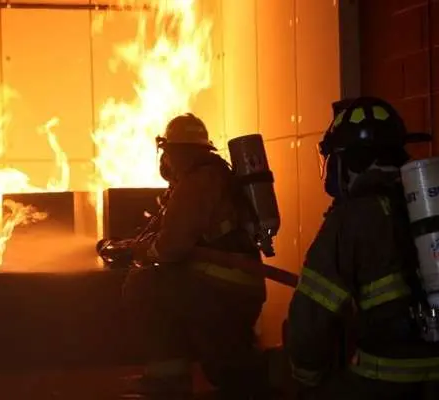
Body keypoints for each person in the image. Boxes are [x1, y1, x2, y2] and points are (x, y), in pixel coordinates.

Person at [285, 96, 439, 399]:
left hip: (387, 381)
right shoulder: (427, 200)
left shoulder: (351, 218)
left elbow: (310, 319)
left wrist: (305, 376)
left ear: (348, 163)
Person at [122, 113, 268, 398]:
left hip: (220, 288)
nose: (166, 162)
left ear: (176, 152)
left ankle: (167, 379)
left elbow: (172, 247)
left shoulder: (197, 182)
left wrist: (144, 250)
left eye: (168, 153)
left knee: (143, 284)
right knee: (228, 368)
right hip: (236, 285)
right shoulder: (215, 174)